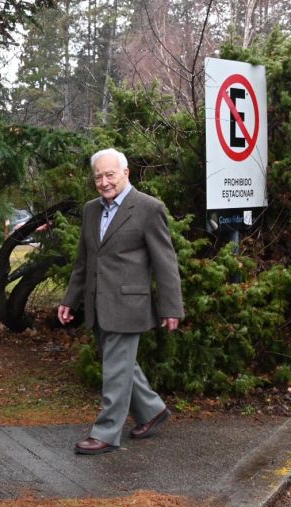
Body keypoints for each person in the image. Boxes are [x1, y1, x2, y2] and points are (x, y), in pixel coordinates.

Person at [58, 148, 184, 455]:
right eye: (98, 176)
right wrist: (70, 300)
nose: (103, 182)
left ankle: (105, 432)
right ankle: (152, 410)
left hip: (130, 305)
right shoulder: (91, 210)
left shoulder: (148, 208)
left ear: (126, 173)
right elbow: (84, 261)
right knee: (122, 364)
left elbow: (165, 262)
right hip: (98, 303)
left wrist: (171, 307)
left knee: (114, 368)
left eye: (110, 174)